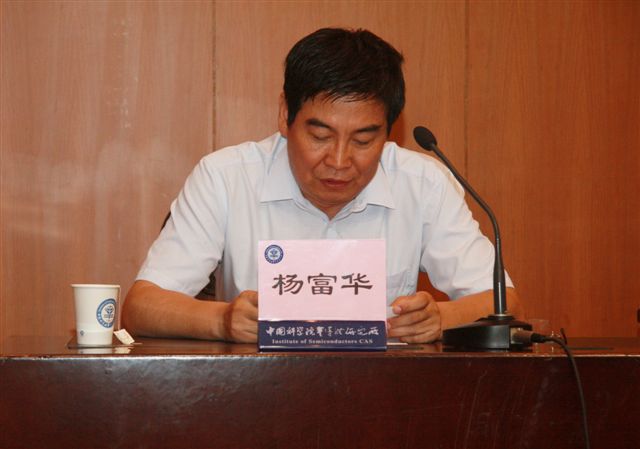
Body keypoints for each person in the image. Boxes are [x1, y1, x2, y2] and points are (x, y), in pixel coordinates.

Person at [122, 27, 522, 344]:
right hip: (256, 394)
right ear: (285, 115)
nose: (339, 160)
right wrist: (222, 320)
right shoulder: (226, 178)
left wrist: (440, 318)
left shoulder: (424, 184)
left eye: (363, 140)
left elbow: (504, 302)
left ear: (389, 130)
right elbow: (141, 306)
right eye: (320, 136)